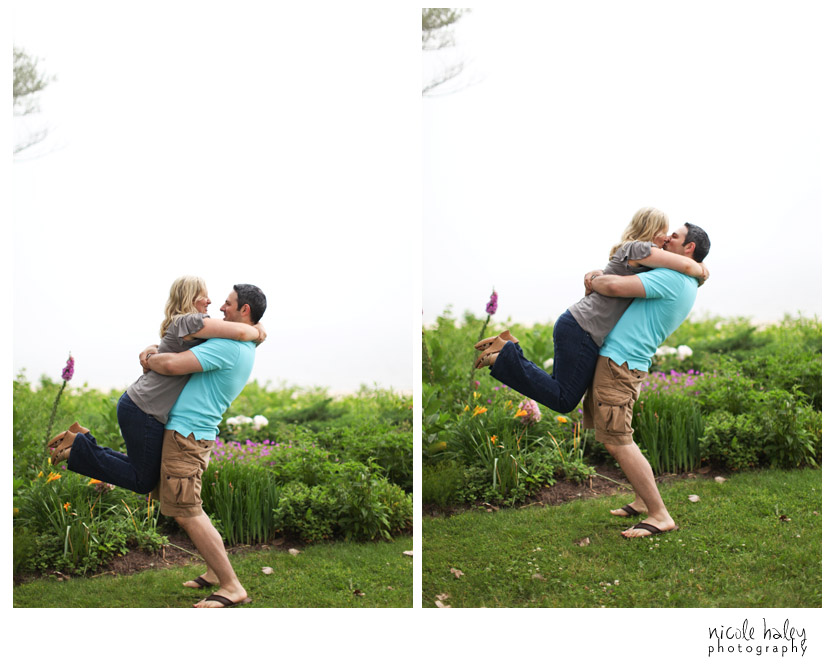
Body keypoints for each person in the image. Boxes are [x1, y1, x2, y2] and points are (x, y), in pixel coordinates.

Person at [473, 207, 708, 415]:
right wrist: (703, 270)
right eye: (665, 231)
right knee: (564, 399)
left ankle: (507, 350)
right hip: (582, 327)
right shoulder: (640, 248)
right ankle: (505, 353)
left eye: (672, 234)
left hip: (581, 326)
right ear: (651, 229)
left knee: (560, 388)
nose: (667, 238)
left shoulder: (641, 255)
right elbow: (687, 265)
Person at [47, 276, 266, 495]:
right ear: (190, 297)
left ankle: (80, 442)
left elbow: (173, 346)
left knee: (141, 471)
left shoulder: (191, 323)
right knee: (143, 481)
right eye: (204, 295)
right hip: (144, 407)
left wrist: (150, 351)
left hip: (142, 405)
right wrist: (258, 332)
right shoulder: (191, 321)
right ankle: (77, 447)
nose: (211, 301)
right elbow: (239, 332)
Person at [141, 283, 267, 608]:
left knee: (187, 511)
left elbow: (171, 365)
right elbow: (180, 344)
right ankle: (214, 573)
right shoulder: (240, 343)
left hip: (187, 436)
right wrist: (156, 348)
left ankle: (231, 585)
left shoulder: (229, 347)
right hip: (193, 433)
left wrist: (151, 357)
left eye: (228, 304)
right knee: (191, 508)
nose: (221, 309)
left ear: (245, 311)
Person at [582, 223, 711, 538]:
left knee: (617, 439)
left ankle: (659, 514)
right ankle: (642, 500)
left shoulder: (673, 277)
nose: (667, 239)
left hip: (620, 362)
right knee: (618, 436)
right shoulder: (686, 279)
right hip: (625, 361)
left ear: (689, 248)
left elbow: (613, 287)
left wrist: (592, 278)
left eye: (675, 237)